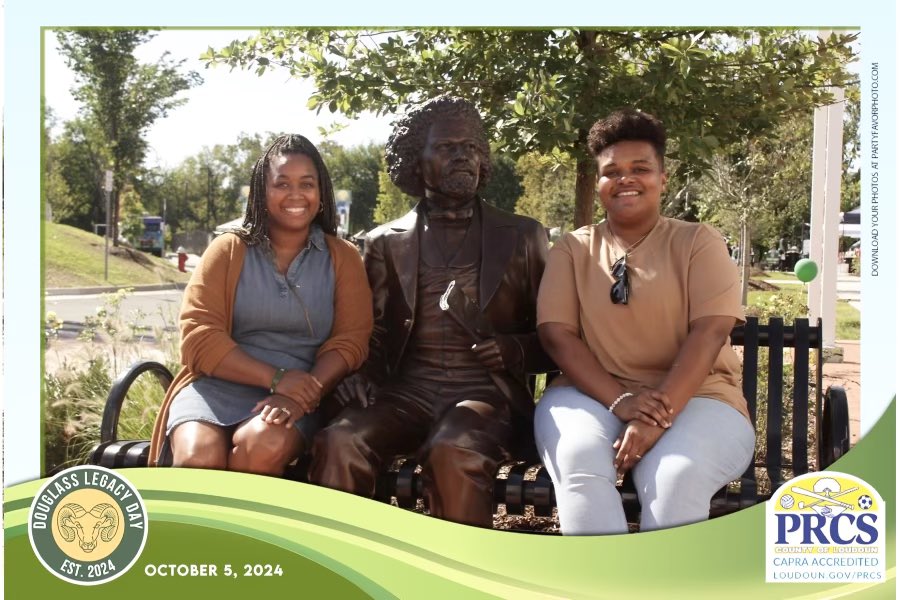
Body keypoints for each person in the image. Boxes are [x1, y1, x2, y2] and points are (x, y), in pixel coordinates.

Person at [308, 95, 551, 528]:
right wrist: (358, 375)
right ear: (415, 162)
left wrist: (514, 350)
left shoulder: (523, 236)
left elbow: (556, 336)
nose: (463, 156)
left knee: (452, 450)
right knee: (339, 441)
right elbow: (376, 332)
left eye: (472, 147)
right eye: (446, 147)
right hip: (406, 395)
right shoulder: (385, 242)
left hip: (484, 397)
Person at [533, 109, 754, 535]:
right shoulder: (573, 249)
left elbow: (710, 332)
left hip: (701, 400)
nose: (625, 179)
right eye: (610, 171)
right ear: (598, 183)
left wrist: (654, 414)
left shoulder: (697, 242)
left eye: (640, 168)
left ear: (663, 178)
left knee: (675, 476)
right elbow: (557, 336)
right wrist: (620, 401)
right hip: (589, 396)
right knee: (579, 460)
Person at [148, 134, 373, 475]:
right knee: (197, 456)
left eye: (307, 184)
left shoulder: (343, 257)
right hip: (217, 385)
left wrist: (299, 393)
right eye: (282, 183)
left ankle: (240, 530)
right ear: (261, 192)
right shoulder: (228, 250)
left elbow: (351, 341)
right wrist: (275, 378)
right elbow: (199, 338)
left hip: (303, 392)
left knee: (260, 445)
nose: (296, 194)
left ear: (322, 193)